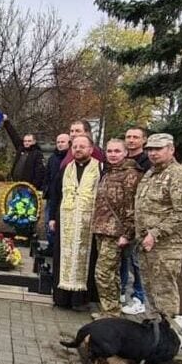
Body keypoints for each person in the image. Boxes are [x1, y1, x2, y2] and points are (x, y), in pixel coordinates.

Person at [135, 133, 182, 318]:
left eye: (158, 149)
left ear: (171, 149)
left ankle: (170, 335)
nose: (153, 153)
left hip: (166, 248)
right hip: (146, 245)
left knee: (164, 293)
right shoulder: (151, 173)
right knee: (150, 291)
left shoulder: (178, 175)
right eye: (150, 149)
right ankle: (155, 332)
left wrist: (155, 234)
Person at [90, 139, 143, 318]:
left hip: (117, 233)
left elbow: (132, 207)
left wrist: (128, 234)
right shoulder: (108, 172)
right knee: (111, 273)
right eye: (110, 151)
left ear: (125, 153)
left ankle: (111, 311)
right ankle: (111, 310)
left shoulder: (131, 175)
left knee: (103, 273)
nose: (113, 154)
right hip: (102, 229)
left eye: (117, 151)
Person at [49, 134, 102, 310]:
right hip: (66, 222)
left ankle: (80, 301)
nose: (78, 149)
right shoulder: (66, 169)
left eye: (82, 146)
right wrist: (52, 218)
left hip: (88, 223)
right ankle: (62, 299)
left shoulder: (99, 168)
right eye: (75, 147)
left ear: (91, 149)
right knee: (63, 258)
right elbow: (56, 193)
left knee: (86, 259)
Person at [119, 126, 152, 314]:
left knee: (136, 261)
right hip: (124, 218)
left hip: (140, 219)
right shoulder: (124, 160)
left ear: (144, 140)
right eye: (128, 137)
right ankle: (122, 291)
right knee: (123, 256)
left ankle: (139, 297)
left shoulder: (147, 163)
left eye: (135, 137)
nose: (131, 140)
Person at [42, 133, 70, 253]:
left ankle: (59, 248)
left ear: (69, 143)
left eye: (62, 142)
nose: (59, 144)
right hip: (52, 195)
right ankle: (51, 245)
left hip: (65, 196)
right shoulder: (53, 158)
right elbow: (47, 175)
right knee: (49, 221)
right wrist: (46, 188)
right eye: (58, 142)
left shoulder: (70, 158)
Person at [2, 116, 46, 188]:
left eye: (29, 141)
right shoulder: (21, 149)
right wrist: (6, 122)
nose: (27, 143)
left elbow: (40, 172)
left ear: (34, 142)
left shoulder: (37, 154)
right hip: (16, 185)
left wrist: (34, 187)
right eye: (25, 141)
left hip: (29, 187)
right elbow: (13, 135)